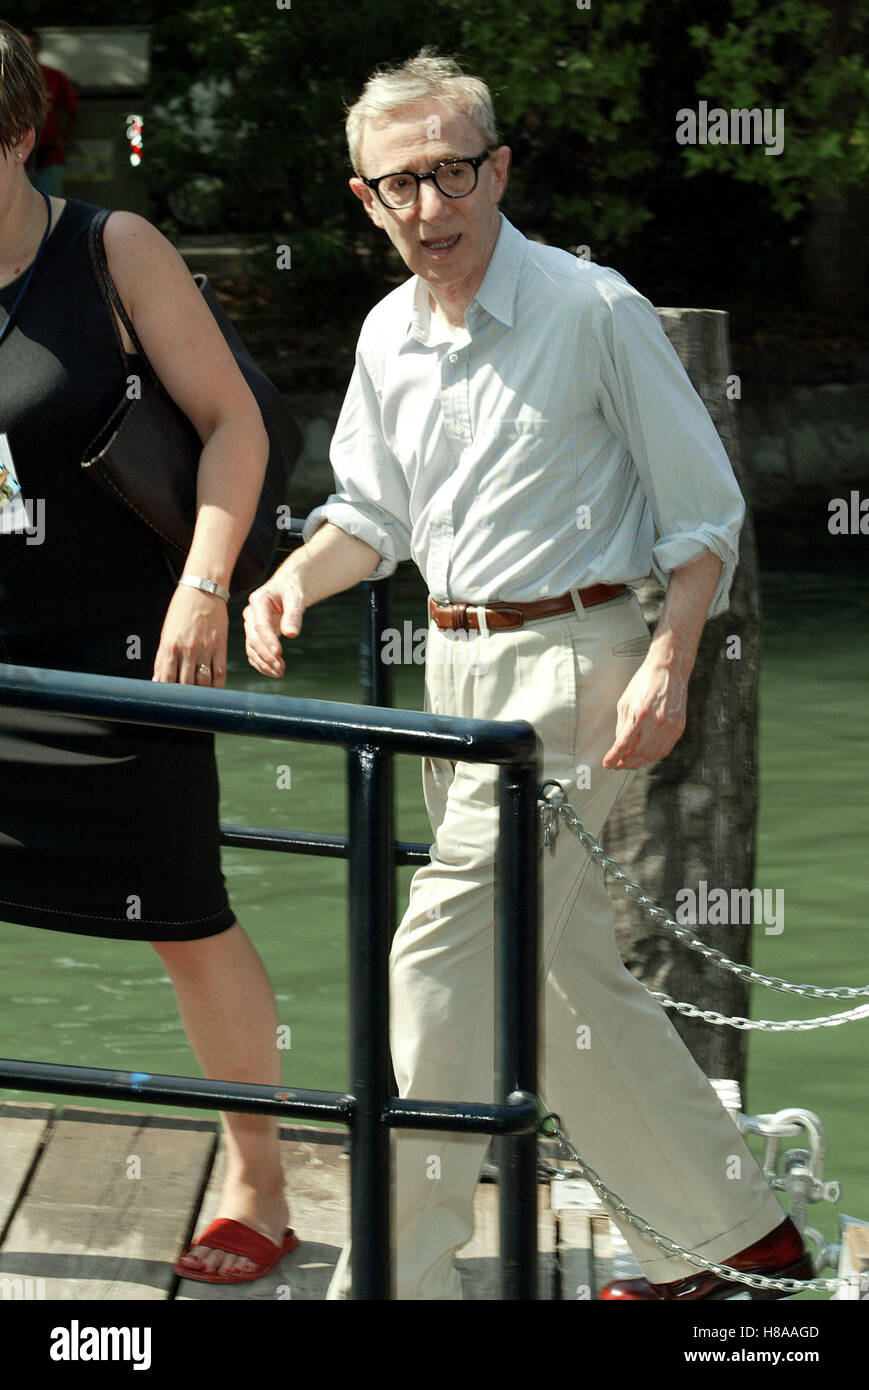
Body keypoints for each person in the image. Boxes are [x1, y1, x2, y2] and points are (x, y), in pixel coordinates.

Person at [244, 50, 813, 1301]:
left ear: (496, 169)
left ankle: (401, 1276)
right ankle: (726, 1238)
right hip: (456, 669)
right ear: (365, 200)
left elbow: (702, 513)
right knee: (559, 978)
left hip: (577, 665)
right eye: (401, 185)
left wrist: (668, 670)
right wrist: (291, 581)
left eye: (452, 172)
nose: (431, 207)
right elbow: (370, 515)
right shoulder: (386, 332)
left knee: (440, 955)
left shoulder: (591, 308)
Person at [0, 20, 295, 1285]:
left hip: (126, 641)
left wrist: (203, 586)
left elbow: (233, 422)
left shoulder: (108, 249)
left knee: (184, 913)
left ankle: (257, 1177)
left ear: (17, 135)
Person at [20, 29, 77, 198]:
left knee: (50, 205)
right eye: (23, 46)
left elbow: (71, 110)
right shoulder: (7, 78)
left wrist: (65, 139)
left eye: (32, 46)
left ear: (39, 48)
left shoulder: (54, 77)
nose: (29, 51)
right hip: (15, 154)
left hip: (49, 152)